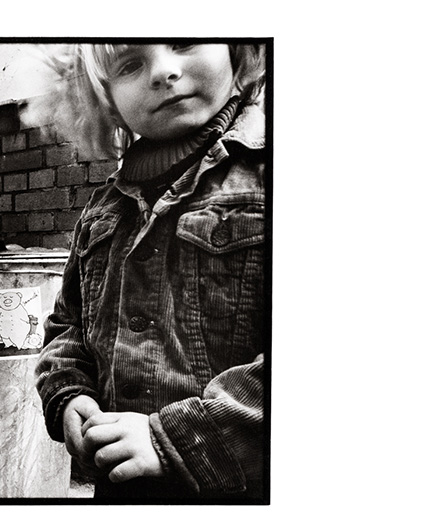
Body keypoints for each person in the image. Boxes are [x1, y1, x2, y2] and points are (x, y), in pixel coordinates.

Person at [27, 43, 267, 500]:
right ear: (104, 97)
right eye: (130, 64)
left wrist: (179, 438)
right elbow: (69, 325)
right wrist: (70, 393)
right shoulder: (102, 209)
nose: (163, 71)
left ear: (238, 47)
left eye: (184, 41)